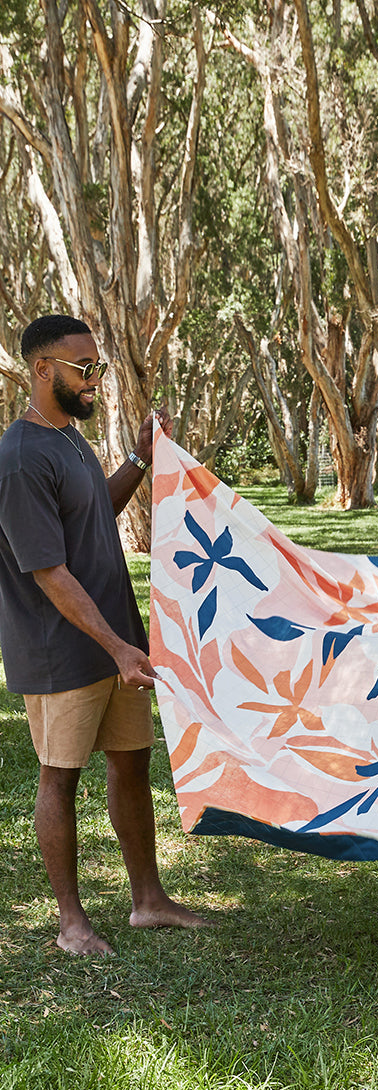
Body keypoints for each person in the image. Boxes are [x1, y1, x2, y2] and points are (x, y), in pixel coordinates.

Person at [0, 314, 209, 955]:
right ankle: (71, 924)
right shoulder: (18, 458)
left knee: (130, 764)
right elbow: (48, 570)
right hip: (60, 647)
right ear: (42, 370)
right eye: (83, 369)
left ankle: (147, 901)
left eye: (100, 369)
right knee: (59, 778)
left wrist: (140, 459)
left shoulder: (68, 440)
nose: (96, 381)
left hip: (114, 640)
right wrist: (117, 645)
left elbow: (95, 514)